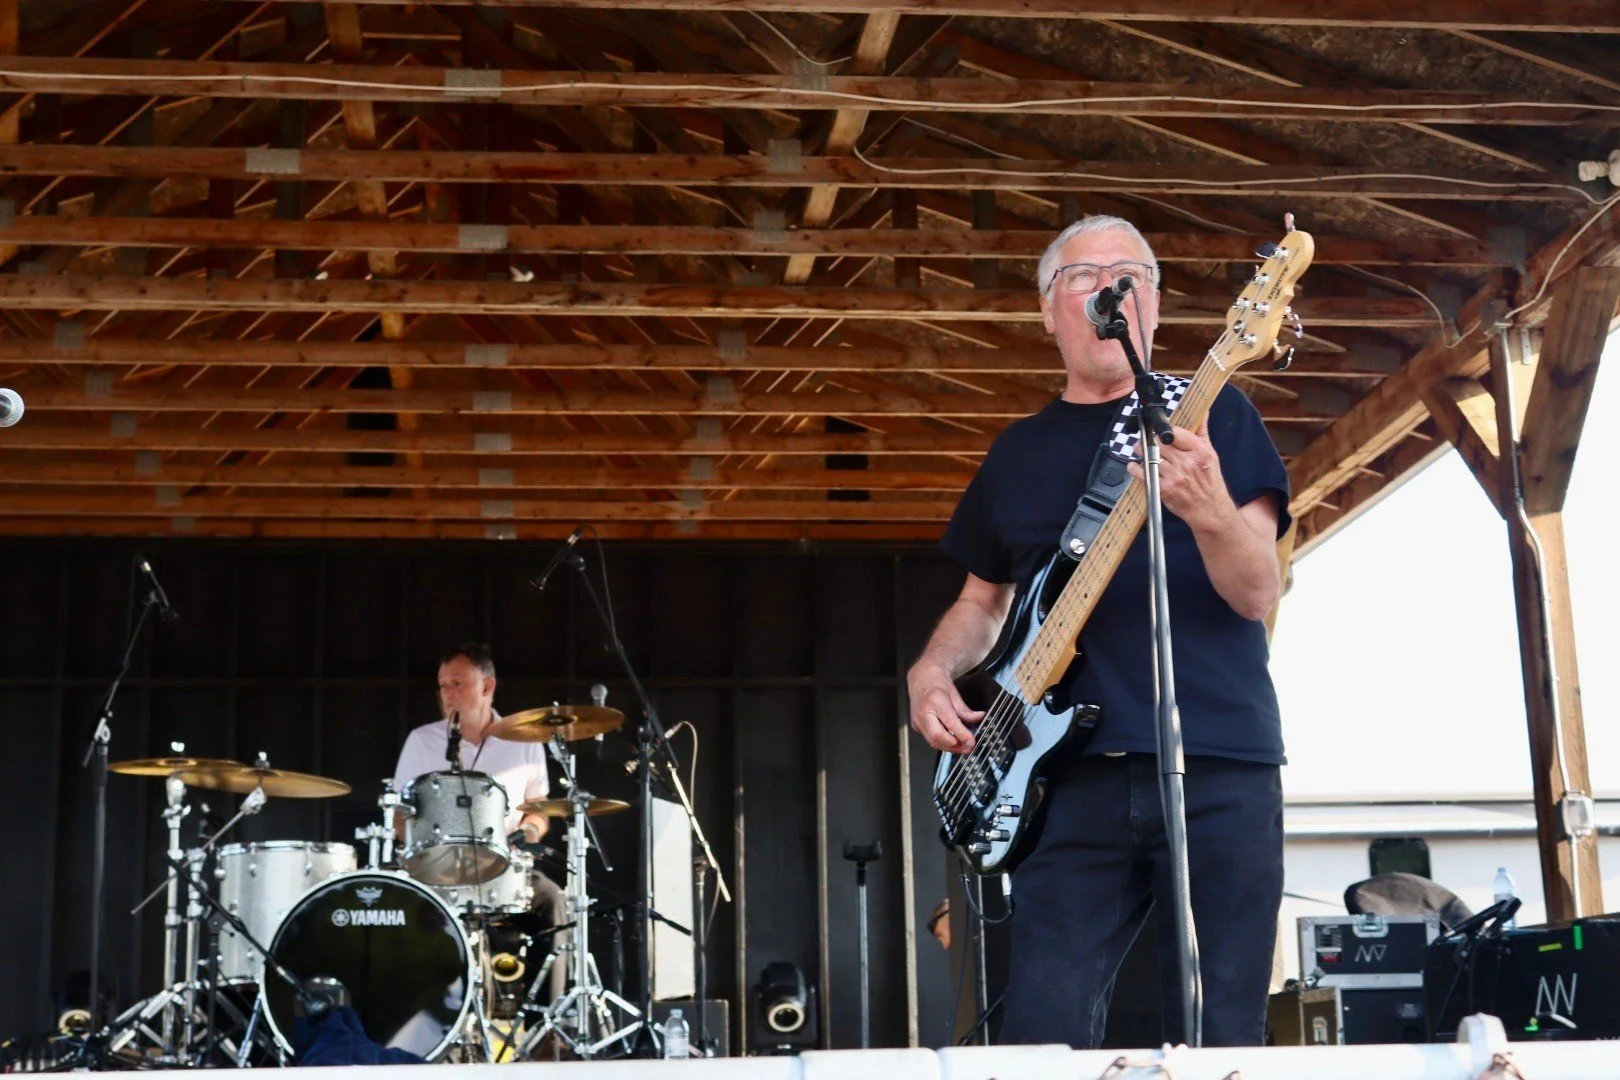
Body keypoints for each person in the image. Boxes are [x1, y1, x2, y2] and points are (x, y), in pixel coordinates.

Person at [906, 215, 1290, 1048]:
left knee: (1226, 1025)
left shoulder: (1216, 418)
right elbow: (984, 602)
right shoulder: (1017, 453)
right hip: (1064, 775)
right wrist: (933, 669)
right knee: (1044, 1030)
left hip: (1216, 758)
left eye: (1130, 272)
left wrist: (1212, 513)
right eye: (1083, 276)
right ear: (1048, 311)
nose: (1110, 286)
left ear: (1153, 300)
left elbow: (1258, 591)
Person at [393, 643, 569, 1003]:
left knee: (551, 900)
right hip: (436, 868)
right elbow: (399, 814)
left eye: (458, 683)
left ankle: (544, 1026)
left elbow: (539, 807)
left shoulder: (524, 740)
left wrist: (530, 831)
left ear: (487, 687)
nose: (447, 693)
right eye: (442, 685)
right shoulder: (422, 740)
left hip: (505, 864)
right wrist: (417, 842)